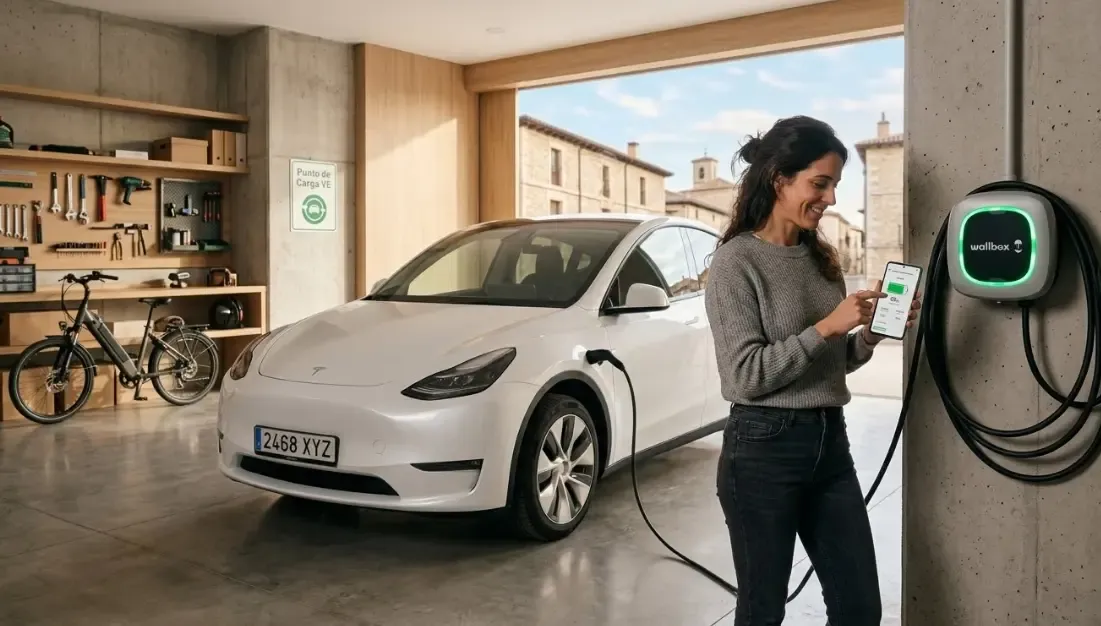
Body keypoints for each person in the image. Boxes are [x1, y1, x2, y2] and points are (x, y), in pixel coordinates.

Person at [704, 115, 920, 626]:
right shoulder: (736, 264)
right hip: (761, 452)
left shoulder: (820, 258)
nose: (830, 198)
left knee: (860, 608)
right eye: (819, 183)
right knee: (762, 611)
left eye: (834, 186)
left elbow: (831, 364)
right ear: (780, 178)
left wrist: (868, 335)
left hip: (830, 445)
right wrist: (826, 326)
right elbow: (745, 376)